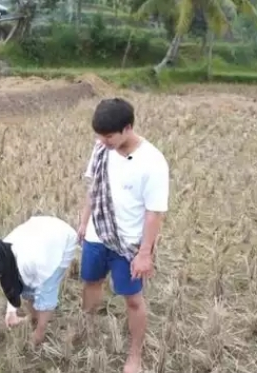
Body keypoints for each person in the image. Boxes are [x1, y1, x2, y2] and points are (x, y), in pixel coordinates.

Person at [77, 98, 169, 373]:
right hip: (97, 234)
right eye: (99, 135)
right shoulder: (102, 149)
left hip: (128, 244)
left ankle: (135, 356)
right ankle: (88, 326)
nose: (102, 141)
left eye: (108, 136)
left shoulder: (152, 162)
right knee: (91, 282)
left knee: (132, 300)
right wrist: (83, 222)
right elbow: (94, 188)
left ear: (127, 128)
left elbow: (155, 213)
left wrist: (144, 254)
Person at [0, 215, 78, 346]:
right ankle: (33, 317)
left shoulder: (32, 262)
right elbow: (9, 278)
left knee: (45, 293)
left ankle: (40, 333)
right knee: (28, 291)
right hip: (42, 235)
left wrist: (38, 330)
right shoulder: (2, 252)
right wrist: (11, 311)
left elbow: (46, 293)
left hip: (62, 240)